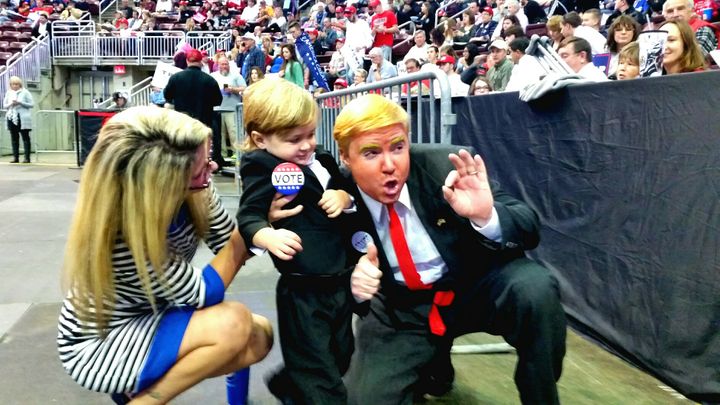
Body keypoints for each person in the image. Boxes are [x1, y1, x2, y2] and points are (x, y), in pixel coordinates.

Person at [331, 94, 567, 404]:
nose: (390, 165)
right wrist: (353, 280)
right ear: (346, 158)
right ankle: (433, 366)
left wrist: (486, 215)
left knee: (535, 288)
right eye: (371, 152)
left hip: (472, 285)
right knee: (367, 399)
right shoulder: (335, 196)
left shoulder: (449, 166)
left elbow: (528, 226)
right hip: (400, 308)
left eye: (398, 147)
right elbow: (321, 270)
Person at [57, 107, 274, 404]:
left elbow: (226, 239)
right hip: (102, 341)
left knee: (260, 334)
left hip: (153, 310)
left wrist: (258, 222)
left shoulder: (195, 190)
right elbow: (207, 290)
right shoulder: (123, 236)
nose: (211, 170)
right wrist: (249, 230)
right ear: (163, 186)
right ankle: (146, 399)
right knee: (233, 322)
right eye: (200, 171)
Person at [236, 79, 360, 405]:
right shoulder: (261, 166)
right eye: (294, 140)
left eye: (310, 134)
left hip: (340, 278)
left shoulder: (321, 158)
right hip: (302, 287)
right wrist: (269, 235)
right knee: (319, 372)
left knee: (341, 353)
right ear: (260, 139)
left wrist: (343, 196)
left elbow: (348, 187)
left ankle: (289, 383)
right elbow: (249, 217)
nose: (306, 145)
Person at [164, 49, 222, 128]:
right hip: (203, 122)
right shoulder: (210, 80)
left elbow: (167, 96)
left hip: (182, 122)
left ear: (187, 61)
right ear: (200, 61)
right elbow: (218, 101)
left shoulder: (175, 78)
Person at [3, 76, 34, 164]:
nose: (15, 86)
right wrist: (11, 104)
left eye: (17, 84)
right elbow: (5, 105)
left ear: (20, 84)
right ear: (10, 85)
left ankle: (27, 158)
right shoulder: (9, 93)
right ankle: (15, 157)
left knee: (25, 137)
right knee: (14, 138)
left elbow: (31, 104)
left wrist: (20, 103)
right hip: (11, 117)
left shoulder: (25, 92)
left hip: (23, 117)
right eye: (13, 84)